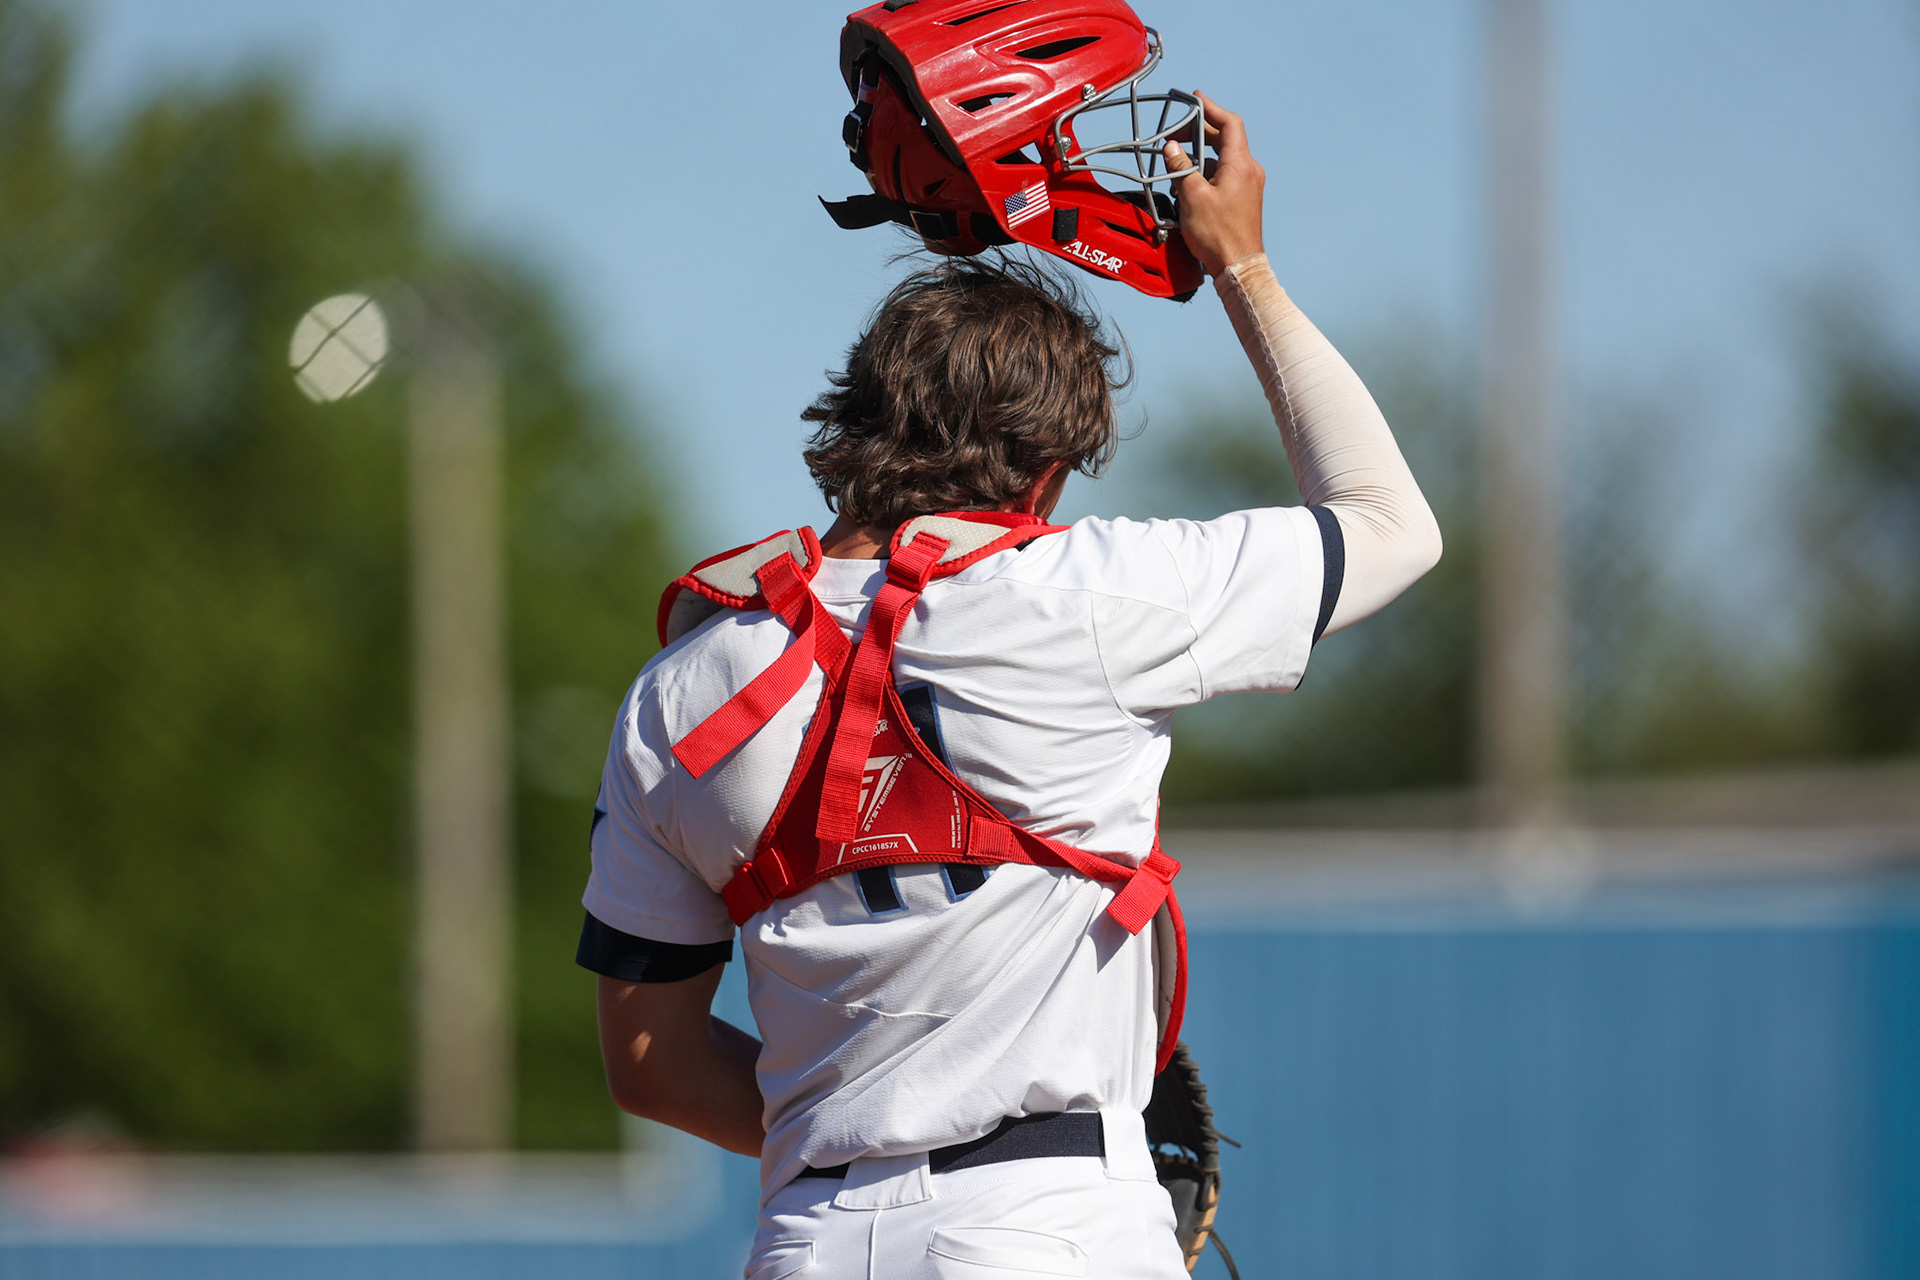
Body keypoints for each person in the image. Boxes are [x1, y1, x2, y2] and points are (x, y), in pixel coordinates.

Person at [576, 89, 1440, 1279]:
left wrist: (864, 1137)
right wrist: (1241, 261)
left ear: (855, 424)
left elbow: (651, 1061)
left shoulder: (680, 685)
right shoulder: (1092, 595)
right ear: (1044, 474)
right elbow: (1391, 525)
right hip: (1048, 1225)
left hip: (810, 1241)